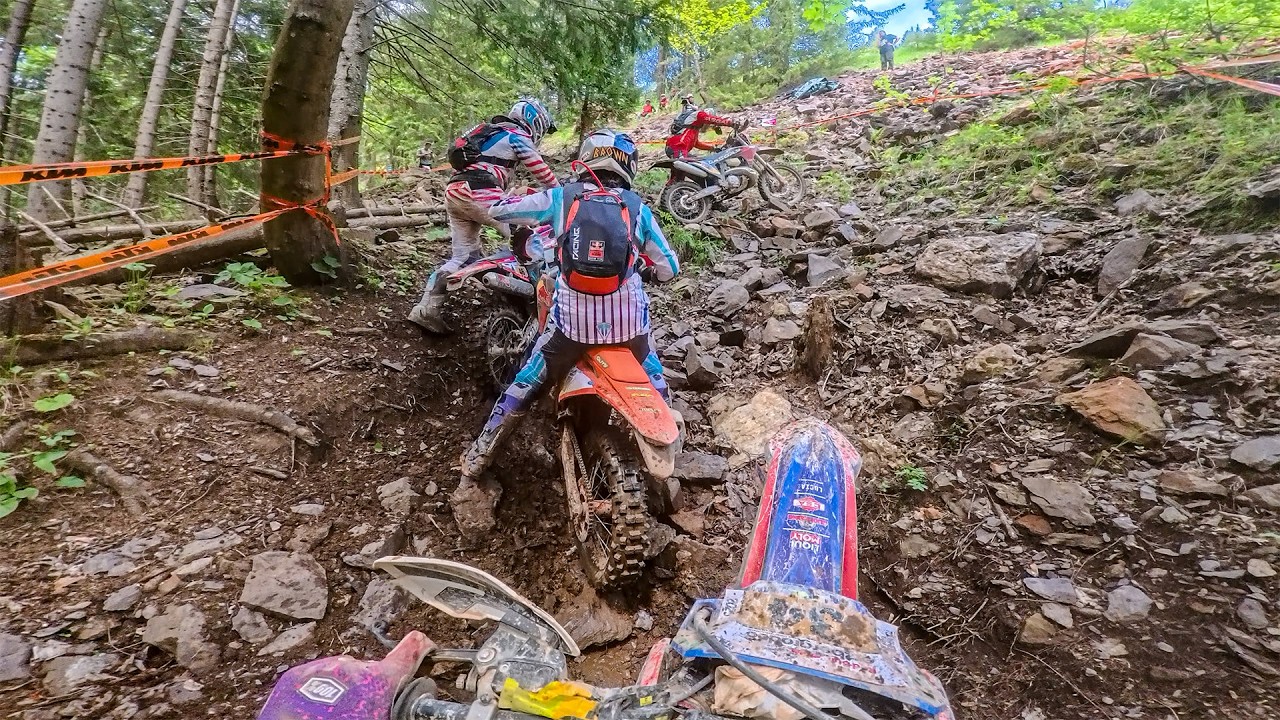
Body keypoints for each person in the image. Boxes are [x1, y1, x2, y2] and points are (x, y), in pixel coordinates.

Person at [453, 129, 680, 526]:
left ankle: (477, 460)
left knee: (525, 383)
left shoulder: (561, 198)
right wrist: (642, 270)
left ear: (586, 159)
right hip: (629, 328)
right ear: (628, 167)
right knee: (654, 374)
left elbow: (503, 212)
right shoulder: (637, 208)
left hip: (572, 328)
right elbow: (669, 267)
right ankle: (671, 447)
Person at [407, 98, 559, 333]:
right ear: (535, 121)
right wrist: (562, 193)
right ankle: (537, 301)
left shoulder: (490, 135)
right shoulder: (516, 135)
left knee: (463, 257)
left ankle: (427, 307)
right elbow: (542, 172)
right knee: (529, 235)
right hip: (481, 192)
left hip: (455, 192)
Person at [664, 96, 738, 159]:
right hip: (678, 147)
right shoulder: (700, 114)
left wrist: (712, 148)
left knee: (696, 163)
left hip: (674, 146)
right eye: (709, 125)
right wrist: (730, 123)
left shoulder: (693, 128)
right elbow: (712, 119)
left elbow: (696, 144)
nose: (708, 127)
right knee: (691, 166)